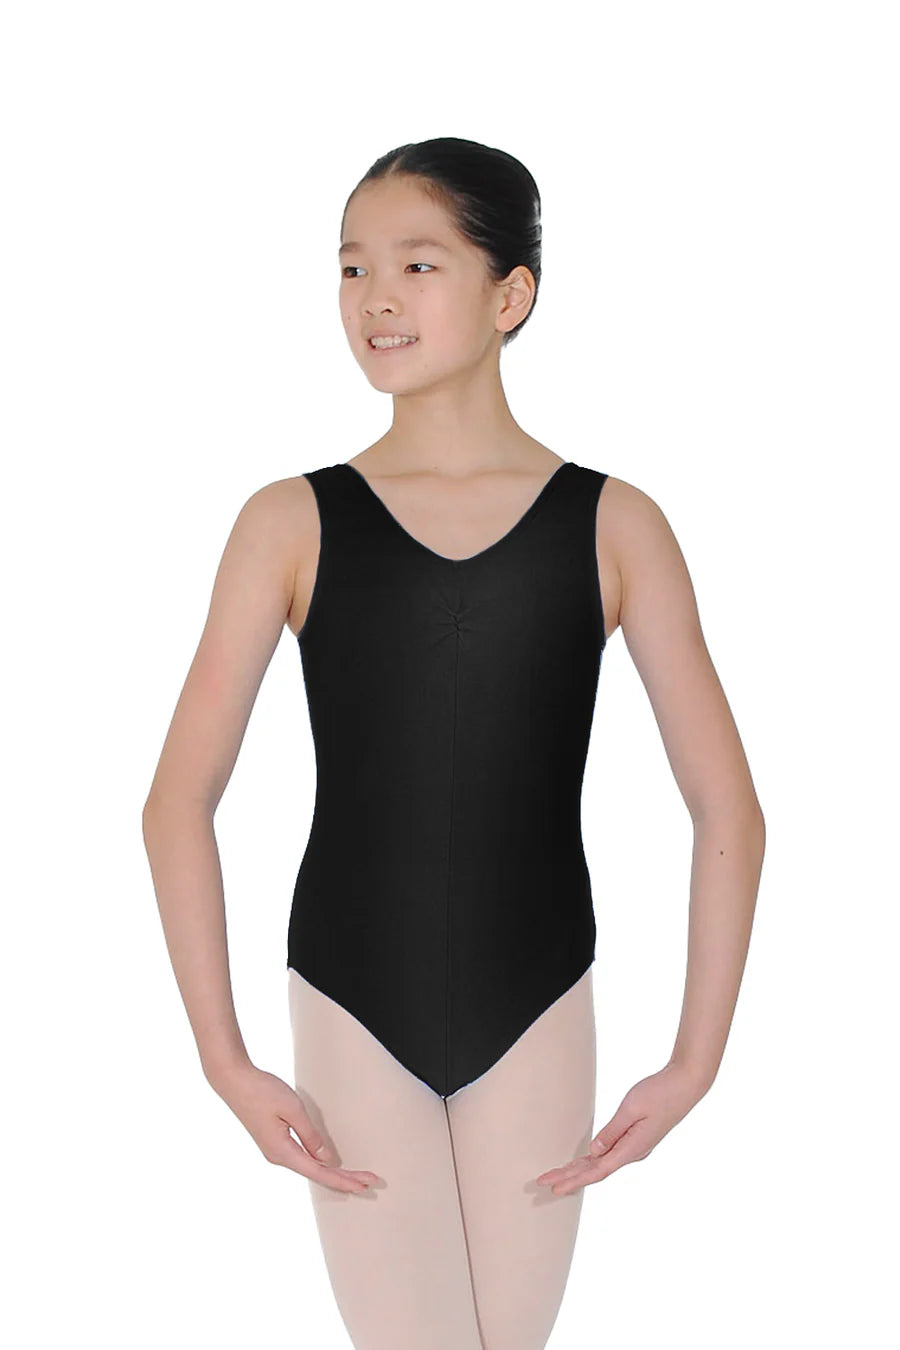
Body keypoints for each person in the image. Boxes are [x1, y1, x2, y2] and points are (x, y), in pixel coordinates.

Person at [142, 137, 766, 1350]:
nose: (376, 297)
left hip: (538, 996)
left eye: (417, 264)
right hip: (352, 995)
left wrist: (697, 1061)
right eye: (352, 268)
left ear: (509, 294)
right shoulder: (288, 522)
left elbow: (728, 808)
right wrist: (224, 1059)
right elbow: (178, 800)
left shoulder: (617, 525)